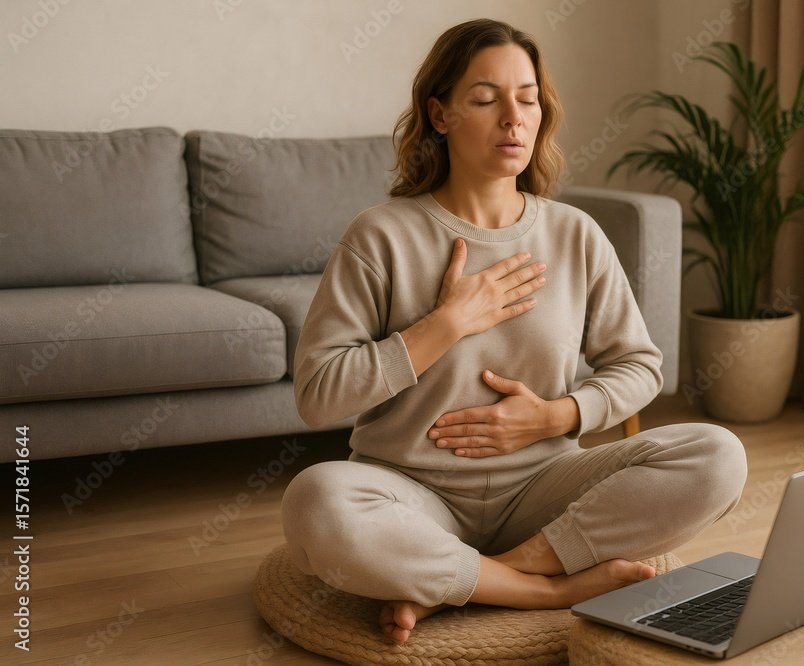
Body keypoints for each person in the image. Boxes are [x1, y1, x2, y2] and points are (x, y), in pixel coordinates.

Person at [281, 18, 748, 646]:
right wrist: (446, 325)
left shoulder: (574, 233)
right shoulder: (381, 235)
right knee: (315, 501)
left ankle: (479, 577)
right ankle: (544, 588)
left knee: (718, 456)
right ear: (440, 115)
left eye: (526, 98)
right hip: (411, 493)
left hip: (544, 489)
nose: (513, 118)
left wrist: (555, 418)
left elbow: (639, 366)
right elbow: (317, 396)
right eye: (485, 98)